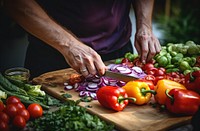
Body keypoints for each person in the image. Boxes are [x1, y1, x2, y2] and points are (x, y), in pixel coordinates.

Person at [4, 0, 161, 79]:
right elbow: (15, 3)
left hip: (119, 54)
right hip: (52, 57)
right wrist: (69, 45)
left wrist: (145, 25)